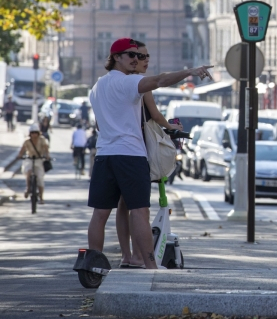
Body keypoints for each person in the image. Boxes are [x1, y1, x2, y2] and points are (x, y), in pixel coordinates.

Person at [87, 37, 212, 270]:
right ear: (116, 57)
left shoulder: (97, 87)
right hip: (130, 155)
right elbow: (161, 80)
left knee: (100, 212)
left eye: (139, 55)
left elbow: (99, 126)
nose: (136, 59)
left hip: (104, 155)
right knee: (139, 211)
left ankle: (92, 264)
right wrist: (191, 72)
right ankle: (150, 266)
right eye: (131, 55)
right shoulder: (130, 82)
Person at [115, 40, 183, 268]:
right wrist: (173, 128)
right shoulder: (140, 84)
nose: (144, 60)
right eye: (139, 56)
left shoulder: (116, 83)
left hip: (115, 149)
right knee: (138, 208)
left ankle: (127, 256)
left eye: (146, 56)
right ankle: (140, 258)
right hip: (136, 149)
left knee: (123, 205)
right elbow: (154, 115)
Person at [17, 124, 51, 203]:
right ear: (30, 133)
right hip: (29, 159)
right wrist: (19, 156)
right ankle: (28, 188)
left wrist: (47, 156)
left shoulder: (42, 140)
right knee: (28, 171)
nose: (34, 134)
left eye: (36, 132)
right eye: (32, 133)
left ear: (38, 133)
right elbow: (22, 150)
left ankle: (41, 197)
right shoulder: (27, 141)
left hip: (39, 160)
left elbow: (46, 149)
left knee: (40, 178)